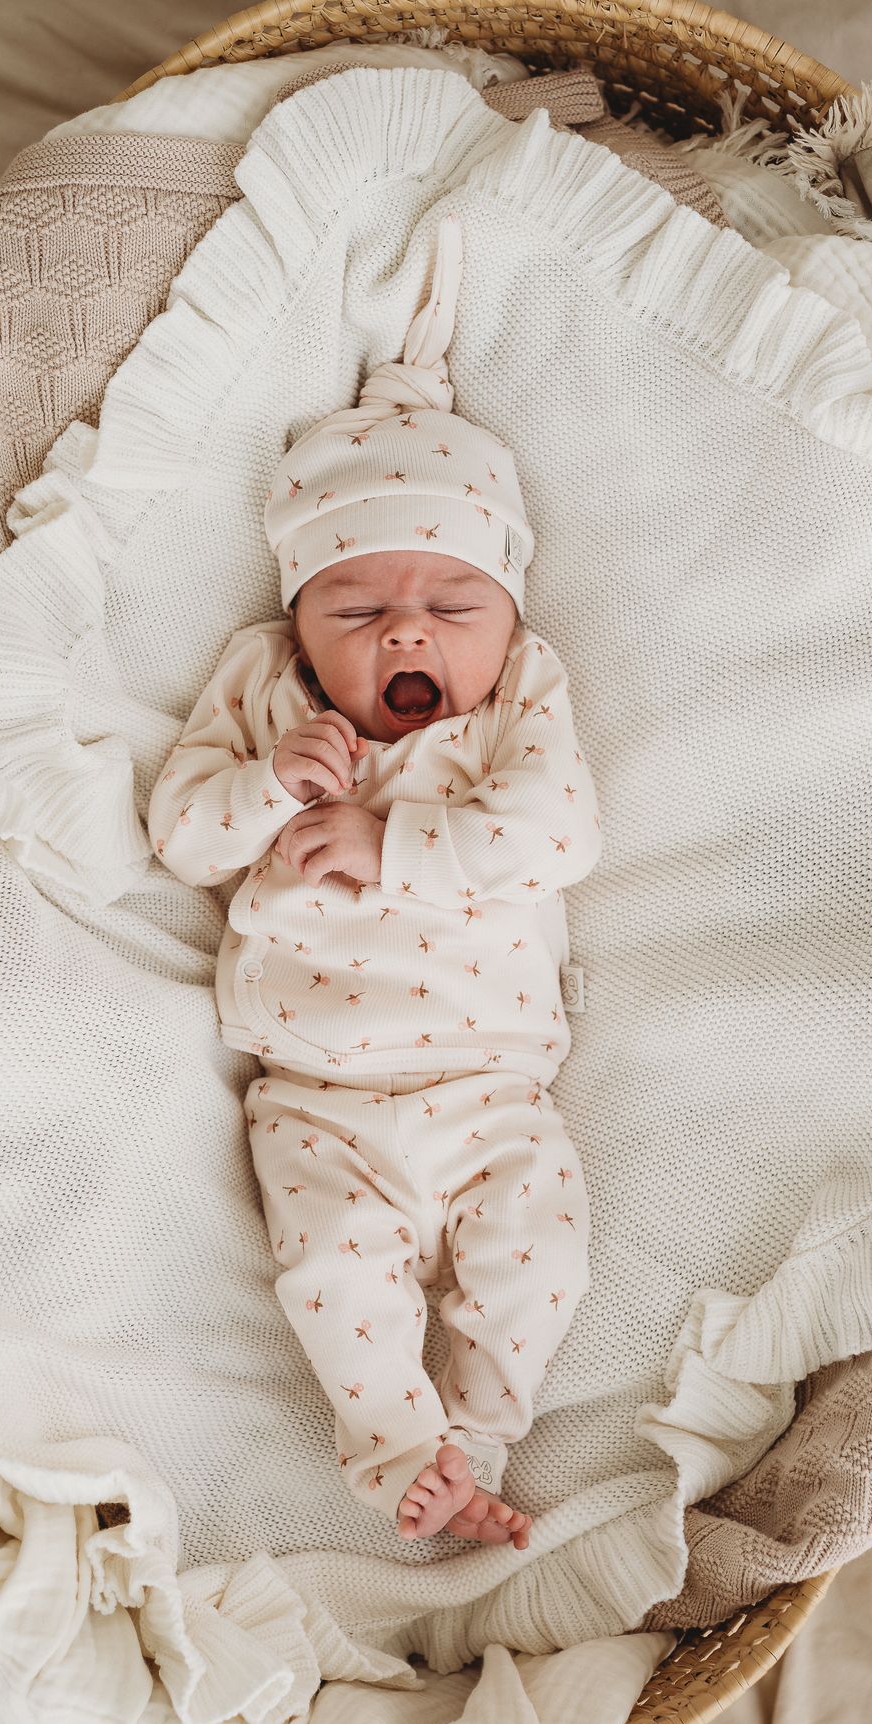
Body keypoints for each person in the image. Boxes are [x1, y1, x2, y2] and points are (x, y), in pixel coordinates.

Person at [149, 216, 602, 1548]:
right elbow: (181, 833)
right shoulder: (263, 693)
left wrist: (392, 846)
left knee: (538, 1259)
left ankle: (480, 1432)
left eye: (451, 606)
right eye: (356, 609)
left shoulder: (520, 699)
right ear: (298, 623)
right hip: (317, 1094)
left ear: (506, 619)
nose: (407, 628)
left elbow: (555, 833)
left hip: (492, 1086)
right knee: (332, 1271)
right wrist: (269, 791)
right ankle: (398, 1448)